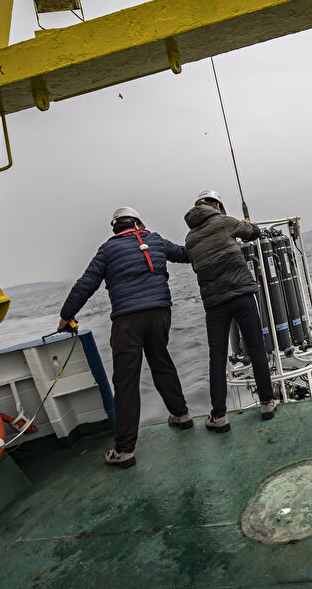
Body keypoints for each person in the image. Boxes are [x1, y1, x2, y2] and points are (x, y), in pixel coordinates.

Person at [57, 206, 193, 468]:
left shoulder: (107, 250)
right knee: (161, 362)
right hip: (160, 313)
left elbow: (87, 283)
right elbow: (186, 254)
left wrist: (66, 315)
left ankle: (125, 449)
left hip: (128, 320)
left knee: (126, 380)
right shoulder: (154, 240)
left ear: (115, 228)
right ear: (138, 223)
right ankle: (181, 414)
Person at [183, 189, 277, 433]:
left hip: (215, 305)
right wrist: (246, 224)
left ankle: (218, 416)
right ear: (217, 207)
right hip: (241, 296)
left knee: (217, 357)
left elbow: (195, 265)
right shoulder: (224, 222)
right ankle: (267, 403)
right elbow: (253, 233)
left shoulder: (190, 239)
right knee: (256, 347)